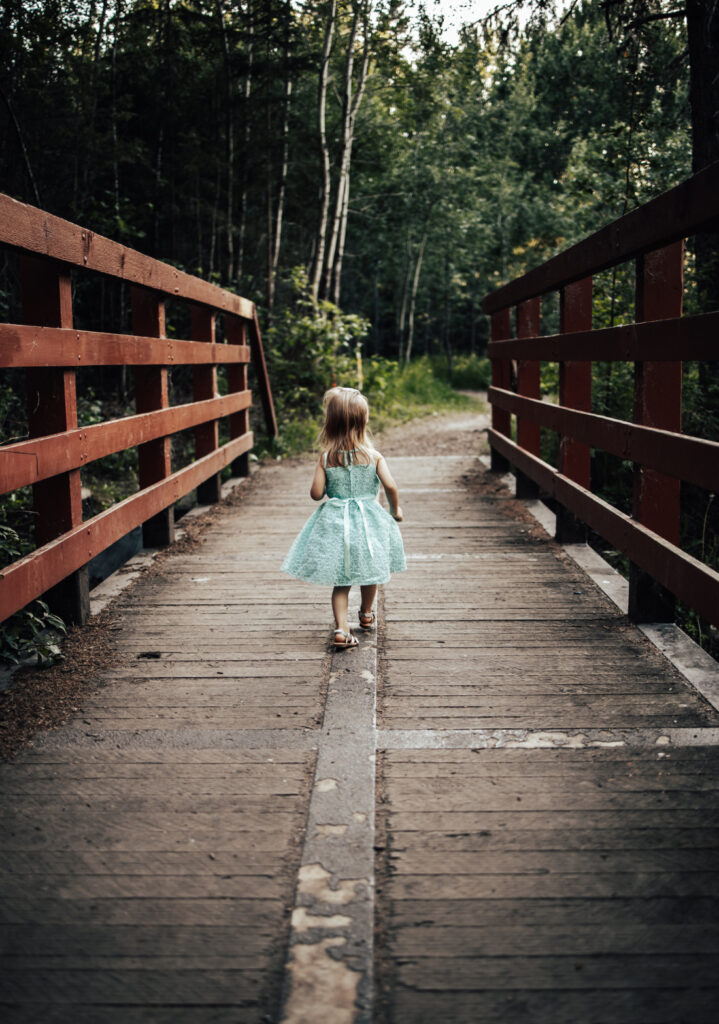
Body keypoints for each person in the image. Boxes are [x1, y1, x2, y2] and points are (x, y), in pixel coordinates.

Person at [281, 386, 406, 649]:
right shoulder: (373, 457)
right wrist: (396, 510)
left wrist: (326, 477)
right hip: (368, 522)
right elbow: (391, 486)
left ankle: (341, 629)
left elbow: (316, 494)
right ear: (364, 421)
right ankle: (367, 614)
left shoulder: (326, 458)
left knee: (342, 579)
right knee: (371, 571)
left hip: (337, 524)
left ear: (330, 423)